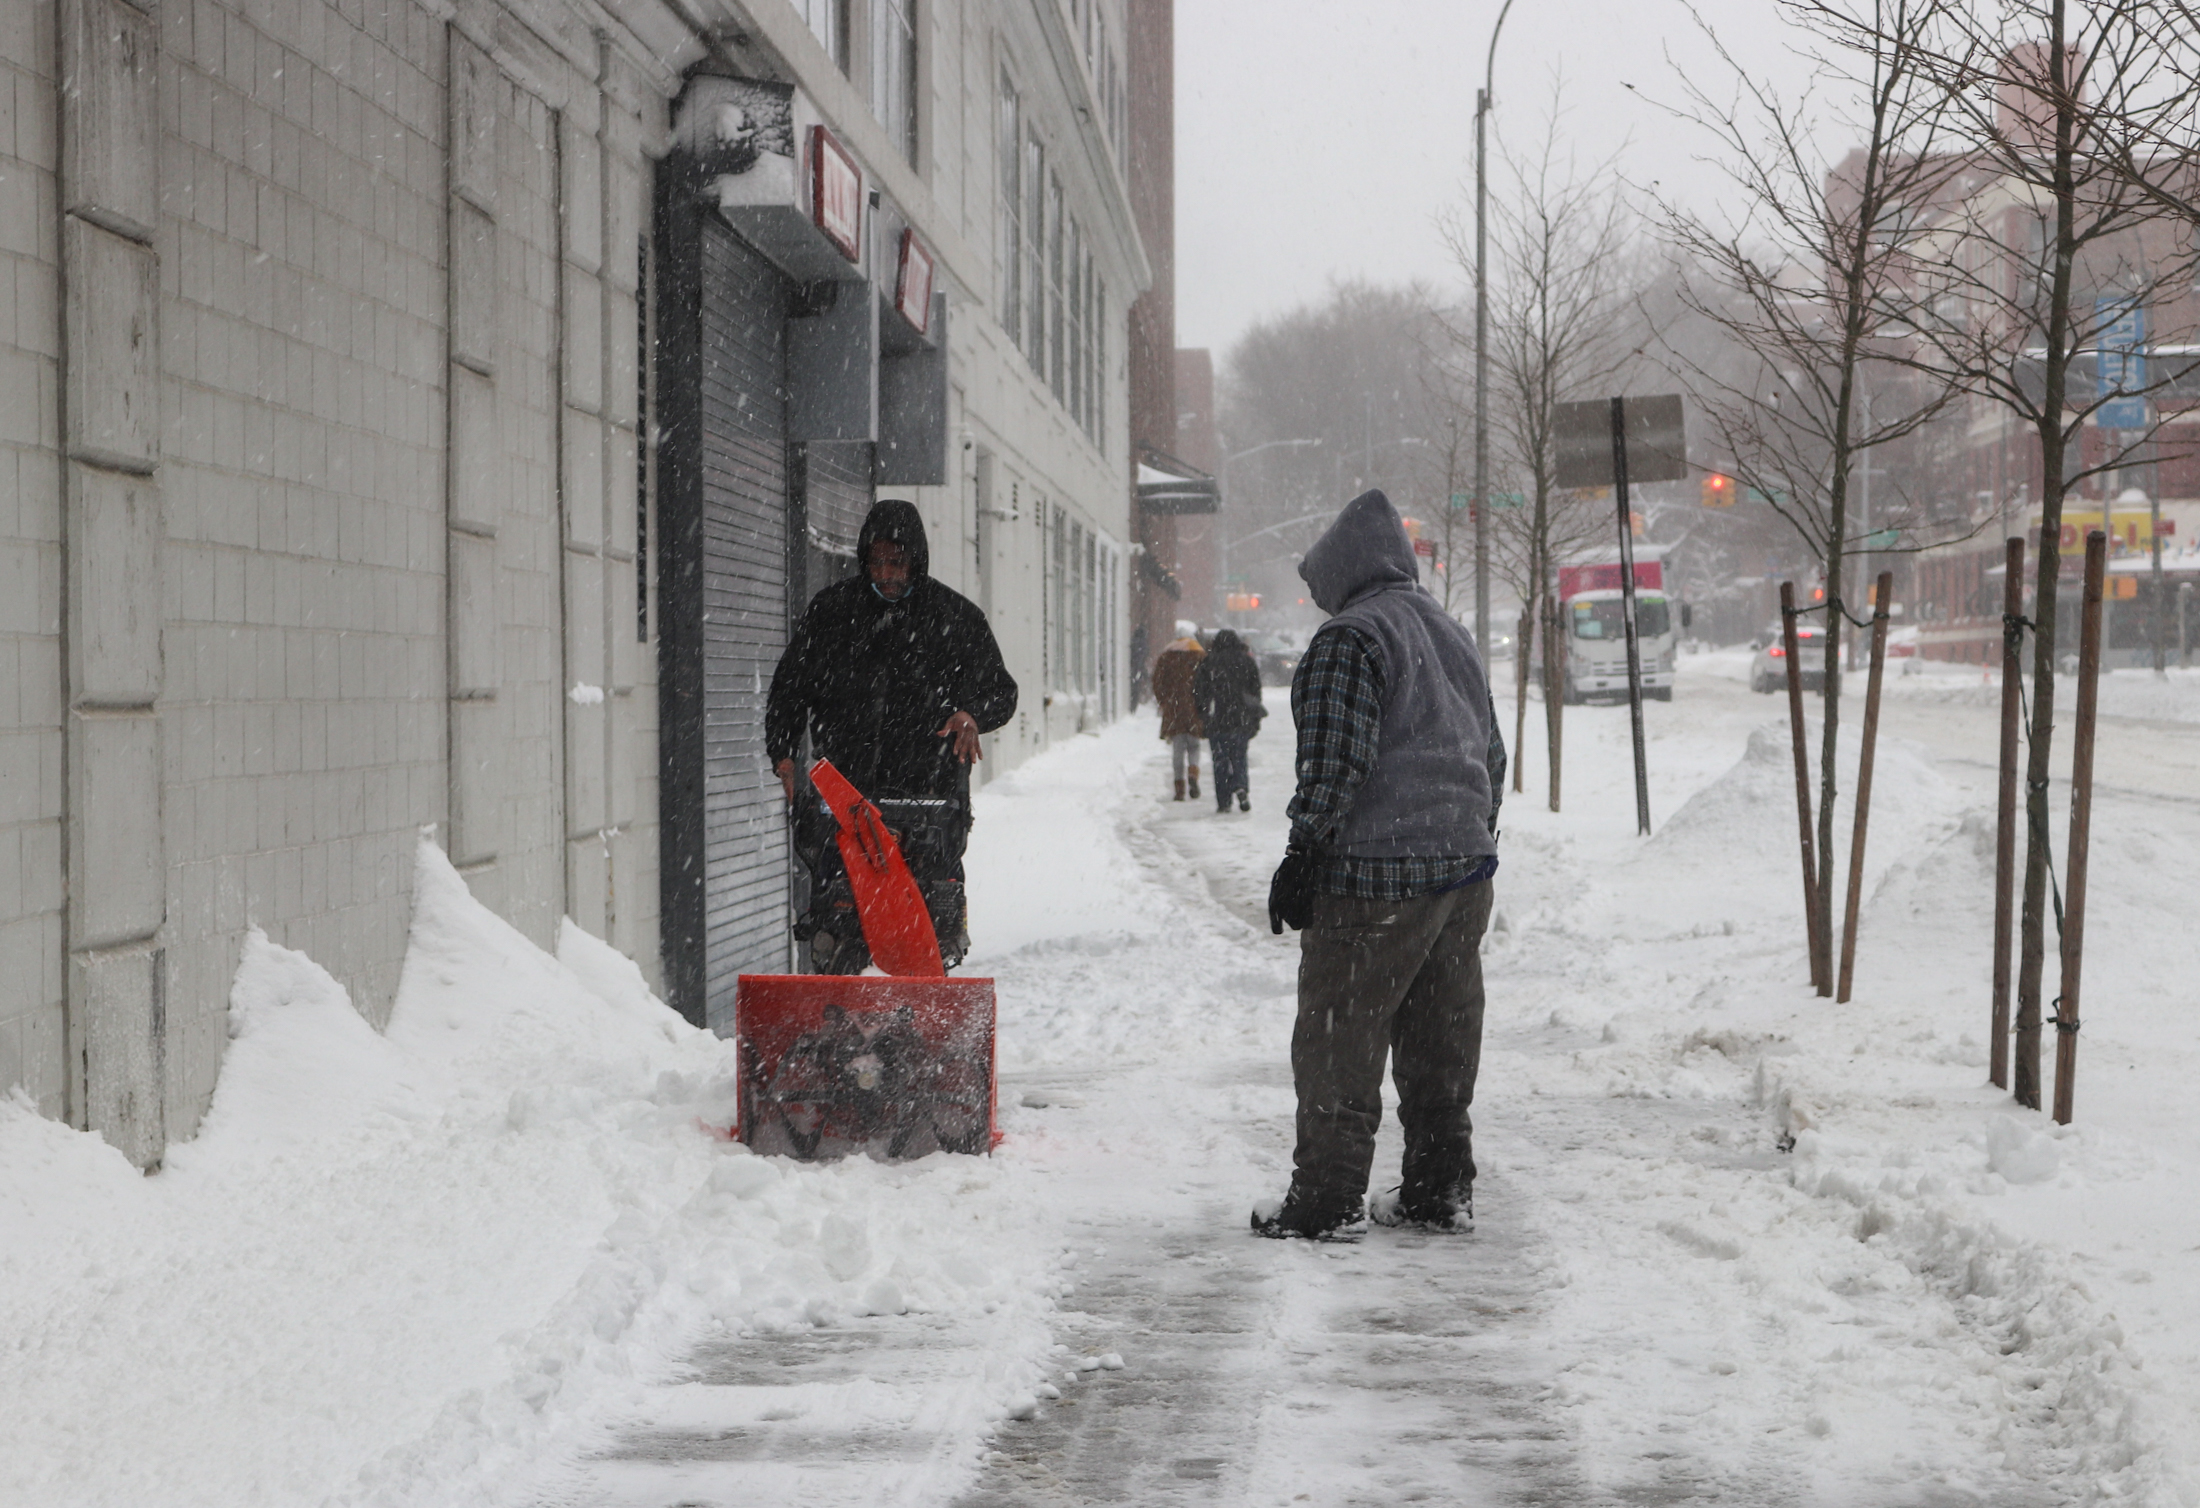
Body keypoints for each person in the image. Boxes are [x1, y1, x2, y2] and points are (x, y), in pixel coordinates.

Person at [1254, 489, 1507, 1242]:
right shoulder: (1449, 633)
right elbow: (1490, 752)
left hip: (1375, 878)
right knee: (1440, 1041)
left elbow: (1337, 759)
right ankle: (1438, 1188)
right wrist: (1467, 834)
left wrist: (1304, 852)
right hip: (1464, 873)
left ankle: (1328, 1200)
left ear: (1342, 573)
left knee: (1340, 1040)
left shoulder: (1351, 638)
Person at [766, 500, 1018, 970]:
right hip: (845, 800)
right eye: (876, 561)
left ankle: (927, 1001)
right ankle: (834, 1004)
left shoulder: (955, 618)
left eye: (896, 562)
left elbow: (1001, 691)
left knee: (927, 928)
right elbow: (788, 688)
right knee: (836, 922)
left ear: (915, 560)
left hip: (928, 800)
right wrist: (783, 755)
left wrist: (972, 714)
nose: (885, 573)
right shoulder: (832, 613)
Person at [1193, 629, 1265, 813]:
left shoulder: (1209, 662)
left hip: (1218, 720)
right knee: (1239, 756)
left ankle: (1224, 800)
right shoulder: (1247, 662)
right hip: (1241, 719)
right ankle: (1241, 786)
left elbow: (1200, 692)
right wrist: (1254, 718)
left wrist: (1203, 714)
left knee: (1220, 761)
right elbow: (1255, 692)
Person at [1151, 621, 1207, 800]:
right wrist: (1202, 703)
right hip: (1194, 709)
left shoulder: (1167, 657)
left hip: (1174, 709)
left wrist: (1164, 701)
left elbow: (1157, 682)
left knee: (1177, 749)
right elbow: (1206, 683)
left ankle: (1179, 788)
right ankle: (1192, 772)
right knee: (1194, 746)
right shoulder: (1199, 656)